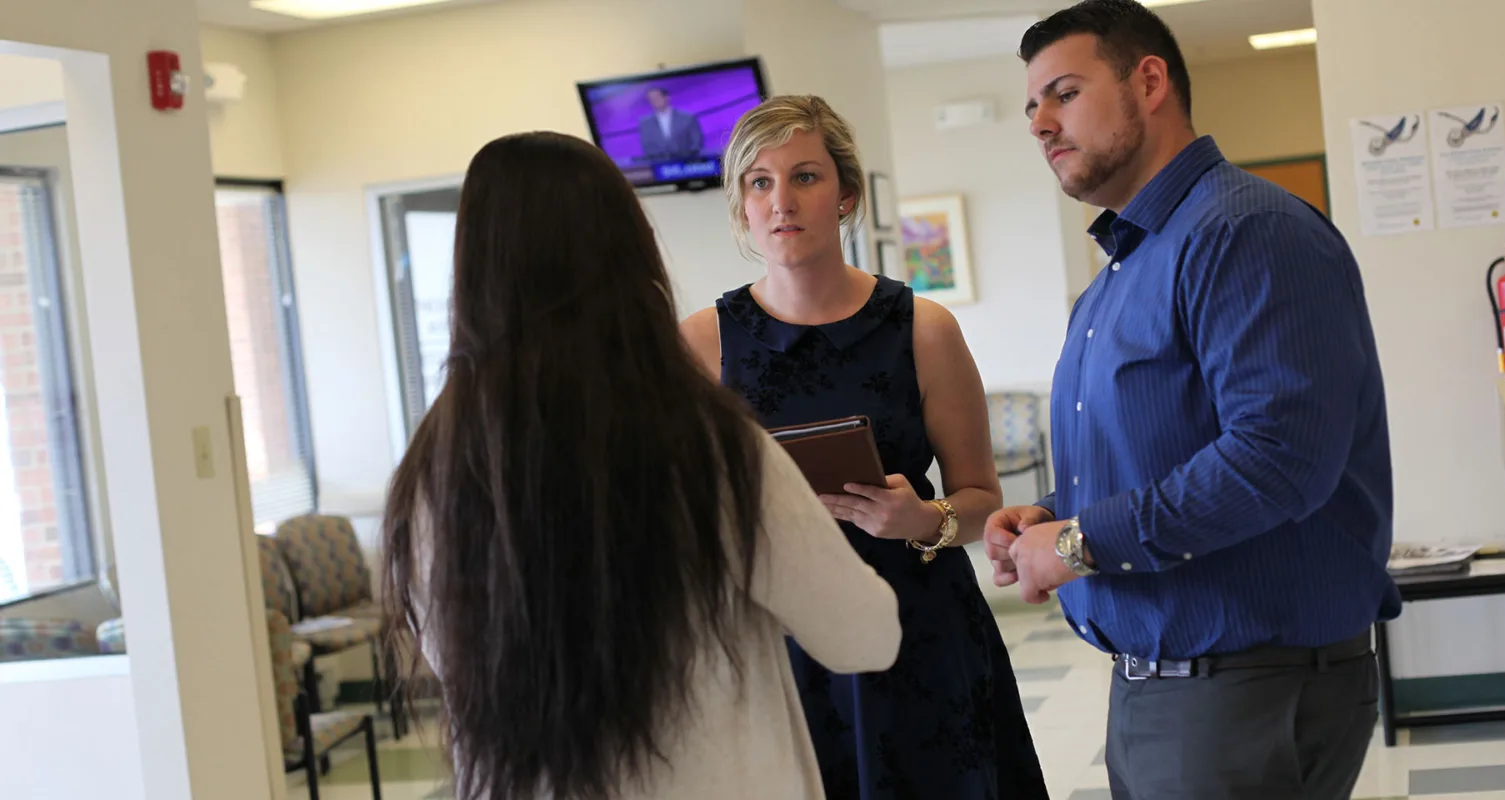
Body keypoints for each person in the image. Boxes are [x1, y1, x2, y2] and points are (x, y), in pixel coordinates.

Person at [380, 131, 902, 800]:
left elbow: (452, 660)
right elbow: (866, 636)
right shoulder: (711, 448)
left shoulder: (433, 471)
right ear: (630, 253)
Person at [982, 2, 1400, 798]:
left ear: (1148, 82)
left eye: (1063, 93)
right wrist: (1052, 515)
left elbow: (1277, 461)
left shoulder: (1248, 233)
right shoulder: (1123, 267)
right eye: (1031, 104)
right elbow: (1156, 450)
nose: (1039, 122)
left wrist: (1076, 546)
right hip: (1163, 683)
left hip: (1245, 688)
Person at [682, 95, 1049, 800]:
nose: (781, 201)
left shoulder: (923, 328)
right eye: (759, 182)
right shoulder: (701, 343)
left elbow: (980, 500)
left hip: (920, 627)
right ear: (741, 205)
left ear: (846, 195)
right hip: (778, 638)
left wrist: (925, 522)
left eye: (805, 177)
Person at [638, 86, 705, 163]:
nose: (654, 101)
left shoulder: (687, 117)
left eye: (657, 97)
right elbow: (647, 147)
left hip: (687, 165)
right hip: (660, 166)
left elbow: (696, 142)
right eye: (651, 99)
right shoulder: (645, 123)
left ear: (667, 97)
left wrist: (689, 160)